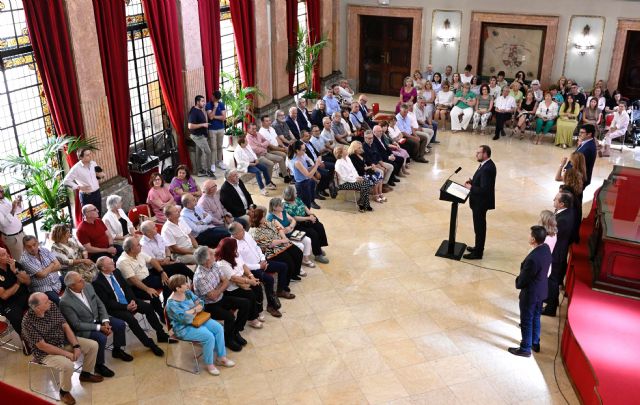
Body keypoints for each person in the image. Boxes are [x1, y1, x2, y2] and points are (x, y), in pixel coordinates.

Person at [22, 292, 103, 405]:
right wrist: (66, 354)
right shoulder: (27, 322)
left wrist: (76, 345)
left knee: (93, 345)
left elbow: (65, 325)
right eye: (46, 301)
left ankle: (86, 374)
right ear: (37, 307)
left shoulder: (52, 306)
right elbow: (43, 346)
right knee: (67, 365)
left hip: (63, 341)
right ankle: (64, 392)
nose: (50, 301)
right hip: (45, 353)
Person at [92, 256, 167, 357]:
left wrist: (132, 301)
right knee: (131, 319)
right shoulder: (97, 282)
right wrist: (126, 307)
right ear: (103, 268)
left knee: (148, 307)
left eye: (112, 261)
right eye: (110, 263)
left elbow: (126, 288)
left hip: (128, 301)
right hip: (115, 308)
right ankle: (150, 344)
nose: (113, 263)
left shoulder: (116, 272)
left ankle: (160, 333)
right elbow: (107, 302)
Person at [59, 271, 128, 376]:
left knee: (120, 324)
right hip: (83, 328)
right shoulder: (65, 302)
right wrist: (99, 328)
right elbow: (76, 324)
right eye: (80, 281)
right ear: (72, 286)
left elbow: (99, 304)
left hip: (98, 318)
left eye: (82, 278)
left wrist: (105, 320)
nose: (83, 281)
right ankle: (99, 365)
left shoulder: (88, 286)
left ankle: (117, 350)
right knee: (101, 338)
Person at [166, 274, 235, 375]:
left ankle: (221, 357)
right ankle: (210, 364)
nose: (187, 284)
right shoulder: (171, 304)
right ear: (178, 288)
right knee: (209, 336)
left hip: (198, 319)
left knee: (219, 328)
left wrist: (192, 311)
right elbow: (184, 319)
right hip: (183, 328)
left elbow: (201, 303)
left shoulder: (187, 292)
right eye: (184, 283)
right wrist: (194, 309)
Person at [192, 246, 250, 352]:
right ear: (207, 260)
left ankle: (235, 331)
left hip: (220, 298)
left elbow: (226, 281)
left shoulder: (214, 265)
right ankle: (228, 339)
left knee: (245, 303)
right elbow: (213, 297)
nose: (214, 253)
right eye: (211, 253)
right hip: (208, 305)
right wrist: (221, 286)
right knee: (230, 317)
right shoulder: (200, 277)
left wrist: (218, 289)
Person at [508, 226, 552, 357]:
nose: (528, 237)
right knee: (536, 317)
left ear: (533, 239)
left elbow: (524, 279)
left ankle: (525, 348)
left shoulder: (533, 259)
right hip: (541, 291)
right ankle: (534, 342)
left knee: (526, 319)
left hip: (531, 294)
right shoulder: (546, 248)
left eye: (529, 235)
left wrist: (518, 281)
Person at [229, 221, 286, 318]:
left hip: (262, 261)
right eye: (241, 230)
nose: (244, 231)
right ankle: (271, 306)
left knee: (283, 266)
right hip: (252, 270)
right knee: (269, 279)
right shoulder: (233, 245)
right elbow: (243, 265)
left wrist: (263, 259)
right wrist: (259, 266)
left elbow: (256, 247)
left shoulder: (246, 234)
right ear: (235, 234)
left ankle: (280, 291)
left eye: (243, 229)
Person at [116, 236, 171, 320]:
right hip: (136, 286)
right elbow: (133, 280)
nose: (141, 245)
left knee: (168, 282)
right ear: (131, 249)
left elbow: (152, 260)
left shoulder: (138, 253)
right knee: (154, 295)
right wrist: (147, 289)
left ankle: (167, 308)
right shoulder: (123, 261)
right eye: (138, 245)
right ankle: (162, 316)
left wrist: (162, 272)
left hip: (148, 278)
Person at [215, 237, 264, 328]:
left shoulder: (235, 253)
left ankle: (258, 310)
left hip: (243, 278)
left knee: (257, 286)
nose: (236, 249)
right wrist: (248, 281)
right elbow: (233, 278)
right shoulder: (222, 263)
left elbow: (243, 265)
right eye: (234, 247)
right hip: (232, 287)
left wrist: (251, 276)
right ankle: (252, 319)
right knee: (250, 294)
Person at [249, 206, 304, 284]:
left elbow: (278, 228)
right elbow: (270, 244)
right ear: (259, 219)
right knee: (289, 261)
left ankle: (294, 274)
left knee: (298, 253)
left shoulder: (266, 223)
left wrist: (285, 239)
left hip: (281, 243)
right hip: (271, 250)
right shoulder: (256, 232)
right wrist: (283, 240)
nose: (265, 218)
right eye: (263, 217)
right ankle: (285, 284)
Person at [542, 192, 575, 317]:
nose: (553, 200)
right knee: (553, 280)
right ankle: (551, 300)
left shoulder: (563, 220)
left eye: (555, 199)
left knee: (553, 281)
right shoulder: (566, 212)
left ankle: (551, 308)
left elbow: (553, 235)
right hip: (559, 251)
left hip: (556, 254)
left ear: (561, 204)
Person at [463, 145, 497, 260]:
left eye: (478, 153)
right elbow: (482, 182)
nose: (476, 154)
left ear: (485, 154)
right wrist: (472, 182)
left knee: (480, 228)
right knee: (478, 227)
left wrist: (470, 187)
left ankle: (478, 253)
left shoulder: (487, 168)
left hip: (481, 203)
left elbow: (484, 190)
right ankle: (477, 247)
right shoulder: (485, 164)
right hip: (479, 202)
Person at [282, 185, 330, 263]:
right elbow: (294, 218)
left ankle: (319, 247)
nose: (297, 194)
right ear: (291, 195)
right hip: (298, 224)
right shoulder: (285, 205)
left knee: (319, 226)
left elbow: (304, 207)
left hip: (306, 218)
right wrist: (308, 218)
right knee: (313, 233)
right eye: (295, 193)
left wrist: (311, 214)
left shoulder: (296, 199)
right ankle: (318, 255)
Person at [268, 197, 316, 268]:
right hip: (283, 238)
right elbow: (282, 230)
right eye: (280, 205)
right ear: (274, 207)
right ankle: (297, 266)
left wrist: (290, 227)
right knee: (300, 245)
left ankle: (305, 260)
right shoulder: (271, 217)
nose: (282, 206)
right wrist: (290, 227)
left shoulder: (283, 211)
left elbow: (293, 220)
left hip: (292, 234)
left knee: (308, 240)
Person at [0, 247, 30, 346]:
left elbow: (27, 281)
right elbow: (4, 295)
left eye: (7, 253)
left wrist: (15, 271)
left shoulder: (15, 264)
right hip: (8, 303)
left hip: (24, 296)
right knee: (16, 317)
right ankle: (25, 340)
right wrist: (17, 283)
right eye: (3, 255)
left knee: (40, 302)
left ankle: (45, 330)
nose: (8, 256)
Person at [20, 235, 63, 303]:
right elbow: (42, 275)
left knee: (74, 280)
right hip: (43, 288)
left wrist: (44, 271)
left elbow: (58, 266)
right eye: (29, 247)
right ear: (25, 247)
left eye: (34, 244)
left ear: (37, 243)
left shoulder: (44, 250)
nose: (33, 248)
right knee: (58, 301)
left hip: (57, 281)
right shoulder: (25, 260)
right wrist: (52, 264)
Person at [62, 148, 105, 214]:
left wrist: (100, 175)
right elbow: (66, 181)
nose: (90, 156)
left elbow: (96, 176)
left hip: (97, 193)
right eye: (87, 155)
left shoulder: (93, 163)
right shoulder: (76, 168)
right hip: (86, 196)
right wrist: (78, 187)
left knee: (98, 214)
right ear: (81, 157)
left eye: (90, 154)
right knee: (89, 217)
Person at [334, 145, 374, 212]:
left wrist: (358, 177)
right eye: (345, 149)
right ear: (340, 153)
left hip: (353, 179)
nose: (347, 150)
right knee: (365, 185)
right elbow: (344, 177)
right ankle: (363, 204)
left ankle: (363, 203)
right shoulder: (339, 163)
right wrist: (356, 180)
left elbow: (353, 170)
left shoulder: (347, 158)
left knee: (367, 182)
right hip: (344, 183)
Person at [288, 140, 322, 209]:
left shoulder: (302, 157)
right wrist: (316, 165)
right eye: (303, 150)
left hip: (306, 182)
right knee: (304, 206)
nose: (305, 151)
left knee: (308, 205)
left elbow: (307, 169)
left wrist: (315, 165)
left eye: (305, 149)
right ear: (297, 151)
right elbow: (308, 175)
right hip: (302, 185)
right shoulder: (296, 162)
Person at [188, 95, 214, 177]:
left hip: (201, 135)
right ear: (197, 102)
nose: (204, 103)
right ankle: (208, 170)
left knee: (198, 154)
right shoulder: (194, 112)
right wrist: (203, 125)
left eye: (204, 101)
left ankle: (199, 171)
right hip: (198, 136)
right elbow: (190, 126)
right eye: (202, 101)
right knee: (208, 152)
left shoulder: (199, 110)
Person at [205, 90, 228, 173]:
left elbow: (223, 118)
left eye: (214, 97)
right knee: (213, 147)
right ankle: (213, 164)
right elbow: (210, 117)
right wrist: (215, 107)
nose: (213, 98)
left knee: (220, 146)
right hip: (212, 129)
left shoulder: (221, 104)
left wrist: (214, 116)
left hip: (221, 128)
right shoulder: (208, 105)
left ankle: (220, 162)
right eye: (213, 97)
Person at [0, 185, 25, 259]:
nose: (1, 193)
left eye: (2, 191)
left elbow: (18, 211)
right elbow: (4, 223)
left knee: (29, 255)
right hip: (13, 239)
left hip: (21, 233)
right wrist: (13, 208)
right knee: (21, 260)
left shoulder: (5, 199)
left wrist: (19, 203)